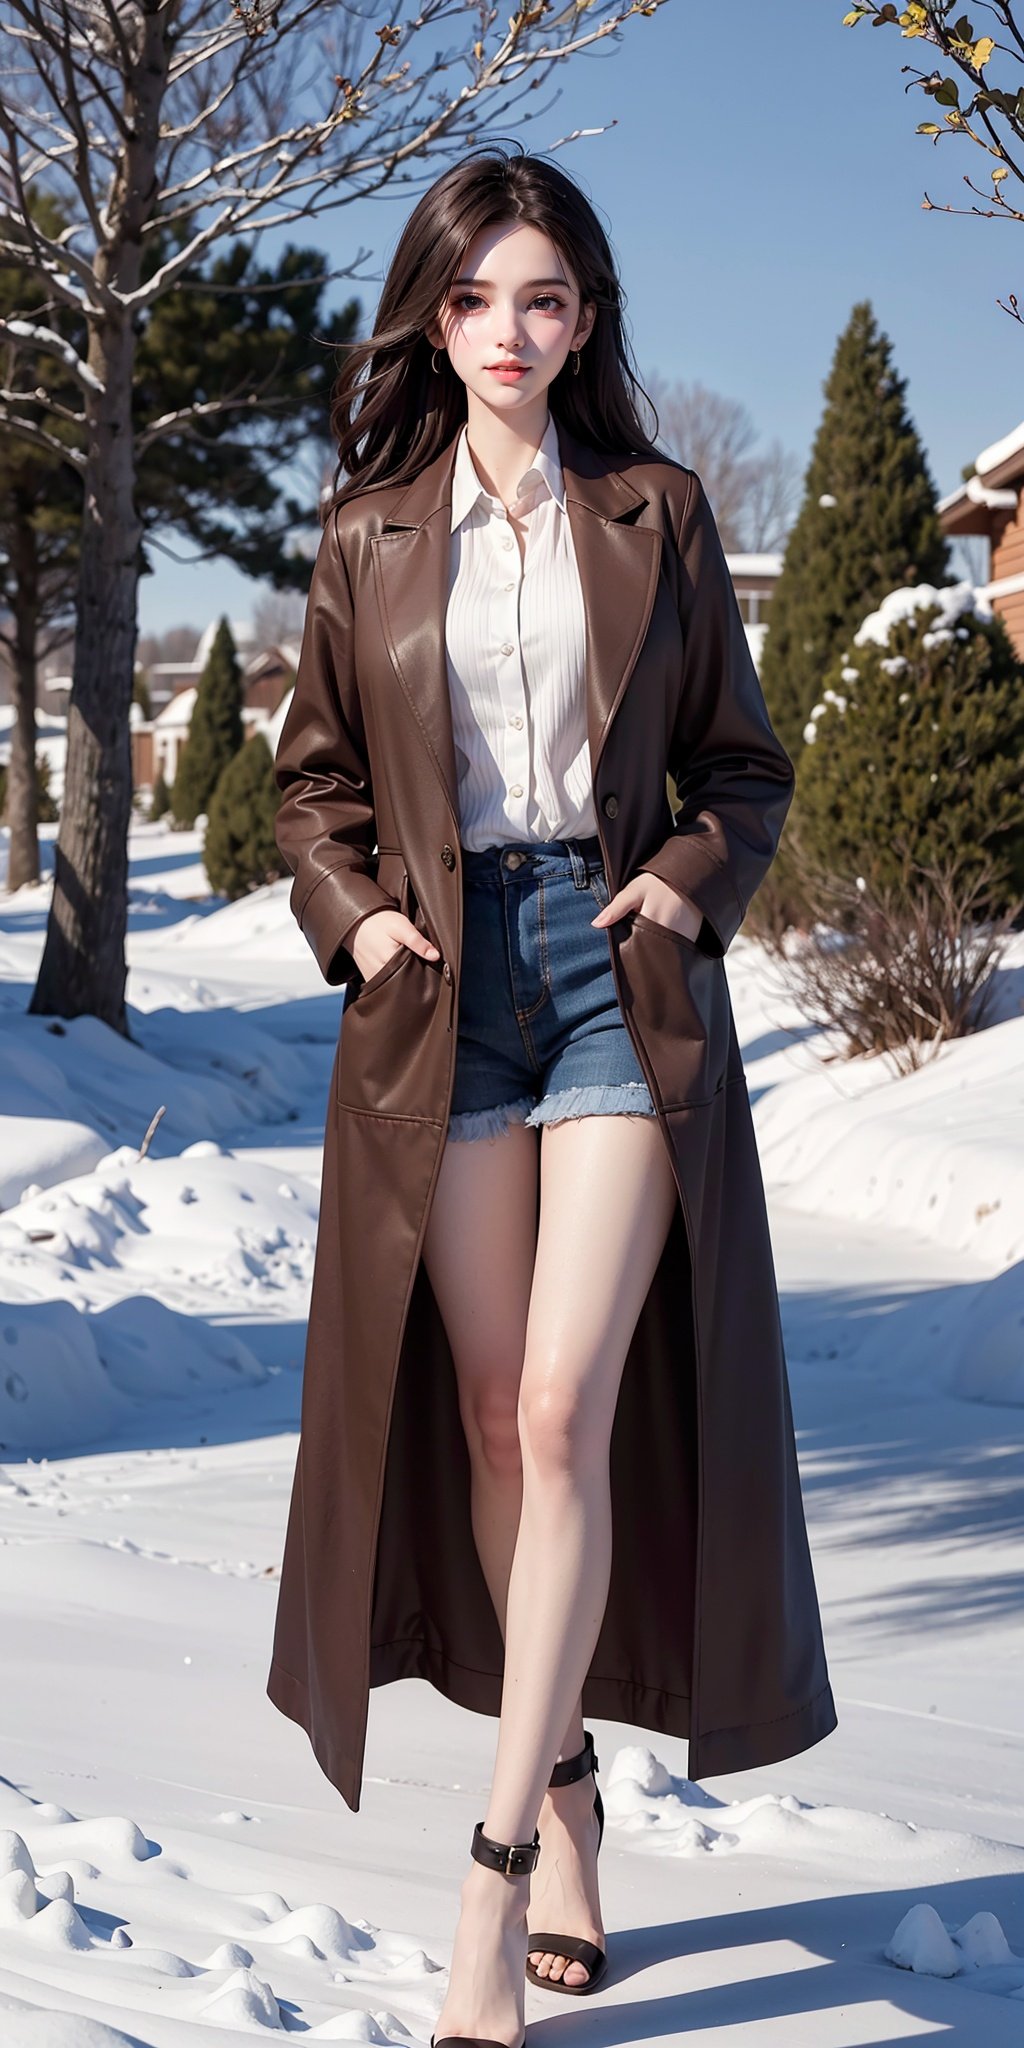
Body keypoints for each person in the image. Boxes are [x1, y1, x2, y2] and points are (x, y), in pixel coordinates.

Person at [268, 145, 836, 2048]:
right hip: (445, 1003)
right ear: (434, 318)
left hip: (615, 980)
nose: (515, 333)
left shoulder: (659, 514)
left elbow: (739, 769)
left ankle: (494, 1877)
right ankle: (575, 1788)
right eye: (479, 299)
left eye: (551, 300)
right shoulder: (367, 534)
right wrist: (355, 927)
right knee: (503, 1448)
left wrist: (688, 874)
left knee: (561, 1408)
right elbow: (314, 786)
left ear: (585, 320)